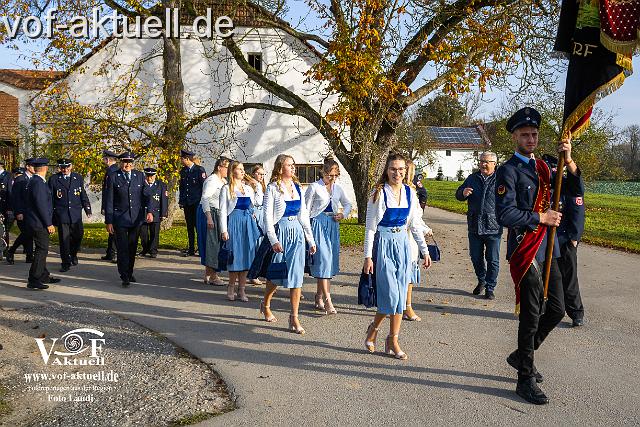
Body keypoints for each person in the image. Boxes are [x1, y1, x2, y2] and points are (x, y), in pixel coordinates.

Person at [496, 107, 581, 405]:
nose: (531, 139)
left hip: (548, 247)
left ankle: (521, 355)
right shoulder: (508, 171)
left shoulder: (545, 166)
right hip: (525, 249)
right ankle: (525, 378)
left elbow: (573, 188)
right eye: (525, 135)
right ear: (515, 137)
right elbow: (505, 213)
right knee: (531, 315)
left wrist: (568, 160)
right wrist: (540, 216)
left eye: (534, 134)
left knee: (557, 308)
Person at [363, 153, 431, 359]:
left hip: (402, 244)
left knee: (400, 295)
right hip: (383, 244)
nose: (397, 173)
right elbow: (370, 228)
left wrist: (424, 250)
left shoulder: (411, 193)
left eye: (401, 169)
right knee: (390, 294)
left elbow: (414, 225)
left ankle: (392, 338)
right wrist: (368, 257)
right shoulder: (379, 194)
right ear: (387, 171)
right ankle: (374, 328)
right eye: (393, 169)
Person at [249, 154, 316, 334]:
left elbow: (304, 215)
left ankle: (294, 317)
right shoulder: (272, 188)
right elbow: (267, 218)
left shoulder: (297, 187)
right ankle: (266, 303)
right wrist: (274, 240)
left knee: (296, 276)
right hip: (280, 232)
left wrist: (310, 239)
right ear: (280, 167)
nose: (293, 168)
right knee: (276, 274)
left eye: (293, 165)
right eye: (289, 165)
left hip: (297, 233)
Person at [304, 156, 352, 314]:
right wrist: (308, 233)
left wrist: (342, 214)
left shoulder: (338, 188)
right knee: (323, 260)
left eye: (335, 175)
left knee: (328, 263)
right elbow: (305, 210)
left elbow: (347, 204)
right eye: (329, 175)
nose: (332, 178)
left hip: (332, 225)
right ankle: (327, 300)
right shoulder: (314, 187)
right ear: (322, 173)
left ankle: (318, 296)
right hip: (318, 225)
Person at [455, 151, 503, 299]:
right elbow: (458, 194)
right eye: (481, 161)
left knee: (492, 259)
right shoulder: (472, 178)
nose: (483, 164)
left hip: (493, 227)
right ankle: (481, 280)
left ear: (494, 164)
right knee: (475, 257)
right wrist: (463, 192)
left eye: (487, 161)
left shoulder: (501, 179)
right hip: (475, 225)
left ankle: (490, 287)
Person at [546, 155, 586, 327]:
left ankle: (576, 313)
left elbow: (578, 214)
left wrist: (574, 238)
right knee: (546, 278)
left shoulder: (569, 185)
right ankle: (548, 309)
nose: (552, 172)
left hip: (565, 239)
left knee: (569, 278)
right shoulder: (545, 186)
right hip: (546, 239)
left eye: (555, 168)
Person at [104, 152, 152, 287]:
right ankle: (124, 274)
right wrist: (109, 220)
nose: (127, 165)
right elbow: (109, 200)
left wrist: (150, 210)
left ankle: (130, 272)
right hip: (120, 218)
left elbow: (146, 194)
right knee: (123, 248)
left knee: (132, 247)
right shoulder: (114, 177)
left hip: (136, 218)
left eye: (130, 162)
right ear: (120, 163)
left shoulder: (139, 175)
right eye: (125, 162)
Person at [219, 161, 261, 301]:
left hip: (247, 223)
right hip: (234, 222)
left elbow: (256, 204)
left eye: (243, 169)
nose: (243, 171)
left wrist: (257, 187)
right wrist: (224, 230)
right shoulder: (227, 188)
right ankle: (231, 286)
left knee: (246, 257)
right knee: (235, 256)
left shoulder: (248, 188)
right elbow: (223, 210)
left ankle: (242, 289)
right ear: (233, 171)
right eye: (240, 169)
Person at [48, 158, 92, 272]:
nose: (65, 169)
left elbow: (82, 194)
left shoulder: (78, 178)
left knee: (78, 236)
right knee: (64, 240)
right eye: (62, 167)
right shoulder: (54, 179)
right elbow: (50, 199)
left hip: (75, 214)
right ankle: (65, 262)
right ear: (59, 168)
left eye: (67, 167)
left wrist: (87, 209)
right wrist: (50, 215)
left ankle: (73, 254)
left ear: (71, 166)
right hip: (62, 214)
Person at [24, 158, 61, 290]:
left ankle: (43, 275)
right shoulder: (38, 183)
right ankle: (33, 279)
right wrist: (48, 223)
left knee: (41, 249)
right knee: (42, 250)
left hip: (34, 222)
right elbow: (42, 206)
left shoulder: (34, 181)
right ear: (45, 168)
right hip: (39, 223)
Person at [404, 160, 433, 322]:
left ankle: (405, 305)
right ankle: (405, 306)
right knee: (406, 275)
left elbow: (416, 220)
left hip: (412, 237)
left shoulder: (413, 191)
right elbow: (412, 222)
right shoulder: (408, 192)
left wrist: (425, 228)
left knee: (408, 275)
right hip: (407, 238)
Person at [196, 157, 229, 286]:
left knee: (215, 244)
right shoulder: (212, 180)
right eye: (227, 167)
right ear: (219, 167)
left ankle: (208, 275)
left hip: (218, 213)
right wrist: (209, 217)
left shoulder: (223, 181)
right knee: (212, 244)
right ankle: (213, 276)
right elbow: (205, 198)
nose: (228, 170)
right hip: (209, 213)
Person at [6, 159, 35, 265]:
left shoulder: (35, 178)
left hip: (32, 213)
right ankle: (11, 251)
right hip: (22, 212)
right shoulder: (20, 179)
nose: (35, 168)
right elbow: (16, 198)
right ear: (27, 167)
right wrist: (18, 212)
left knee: (29, 233)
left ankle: (29, 256)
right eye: (33, 166)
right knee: (27, 232)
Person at [179, 149, 207, 256]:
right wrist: (181, 201)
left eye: (182, 158)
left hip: (197, 203)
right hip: (187, 203)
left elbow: (204, 187)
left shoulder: (199, 170)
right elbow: (182, 187)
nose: (181, 160)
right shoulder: (183, 171)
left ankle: (201, 248)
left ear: (187, 159)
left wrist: (203, 202)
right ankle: (191, 248)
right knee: (189, 226)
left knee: (198, 226)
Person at [242, 164, 266, 285]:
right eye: (259, 173)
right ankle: (252, 274)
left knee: (260, 244)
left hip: (261, 213)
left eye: (263, 174)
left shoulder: (261, 185)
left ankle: (255, 272)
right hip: (255, 212)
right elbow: (251, 201)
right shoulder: (250, 185)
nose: (261, 176)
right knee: (254, 244)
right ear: (254, 173)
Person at [139, 168, 168, 258]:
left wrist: (163, 214)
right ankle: (145, 248)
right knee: (143, 233)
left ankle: (153, 250)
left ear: (155, 176)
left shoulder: (161, 185)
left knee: (154, 233)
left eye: (151, 176)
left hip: (156, 212)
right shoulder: (140, 185)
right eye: (148, 176)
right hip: (143, 212)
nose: (149, 178)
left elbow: (164, 200)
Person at [101, 150, 119, 262]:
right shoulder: (111, 171)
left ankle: (114, 253)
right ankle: (110, 252)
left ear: (107, 160)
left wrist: (106, 207)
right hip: (112, 205)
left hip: (114, 206)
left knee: (114, 230)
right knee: (112, 230)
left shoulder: (112, 172)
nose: (103, 161)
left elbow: (109, 193)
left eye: (104, 159)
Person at [0, 159, 12, 260]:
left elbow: (10, 192)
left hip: (3, 206)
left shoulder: (8, 175)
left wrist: (9, 207)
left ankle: (5, 249)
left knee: (4, 229)